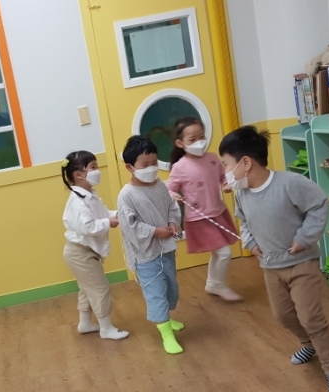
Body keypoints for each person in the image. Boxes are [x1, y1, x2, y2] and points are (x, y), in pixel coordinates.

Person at [219, 126, 329, 392]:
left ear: (246, 163)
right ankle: (308, 344)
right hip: (271, 267)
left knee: (311, 317)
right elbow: (244, 220)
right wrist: (250, 243)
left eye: (226, 164)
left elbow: (319, 204)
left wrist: (305, 237)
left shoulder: (289, 184)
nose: (225, 172)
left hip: (302, 264)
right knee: (283, 316)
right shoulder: (242, 192)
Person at [117, 136, 184, 354]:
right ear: (130, 167)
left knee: (171, 289)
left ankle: (166, 319)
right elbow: (130, 226)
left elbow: (172, 207)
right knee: (156, 293)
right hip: (145, 256)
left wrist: (173, 223)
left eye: (154, 163)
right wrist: (155, 231)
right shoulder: (127, 195)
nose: (151, 168)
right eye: (145, 165)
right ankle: (166, 334)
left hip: (166, 251)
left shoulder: (160, 186)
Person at [167, 117, 242, 301]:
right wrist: (173, 195)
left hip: (218, 212)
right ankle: (218, 285)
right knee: (224, 253)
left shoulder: (213, 158)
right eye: (192, 139)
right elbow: (169, 189)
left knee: (218, 252)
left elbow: (223, 177)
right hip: (200, 219)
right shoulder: (179, 167)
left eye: (201, 136)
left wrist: (226, 185)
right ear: (180, 143)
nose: (199, 142)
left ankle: (212, 283)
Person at [61, 151, 129, 340]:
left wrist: (118, 214)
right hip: (79, 252)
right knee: (100, 288)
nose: (97, 171)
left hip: (85, 251)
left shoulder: (90, 195)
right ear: (79, 174)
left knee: (87, 287)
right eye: (93, 167)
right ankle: (106, 328)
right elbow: (87, 226)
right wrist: (108, 222)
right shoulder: (77, 201)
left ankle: (84, 323)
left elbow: (103, 213)